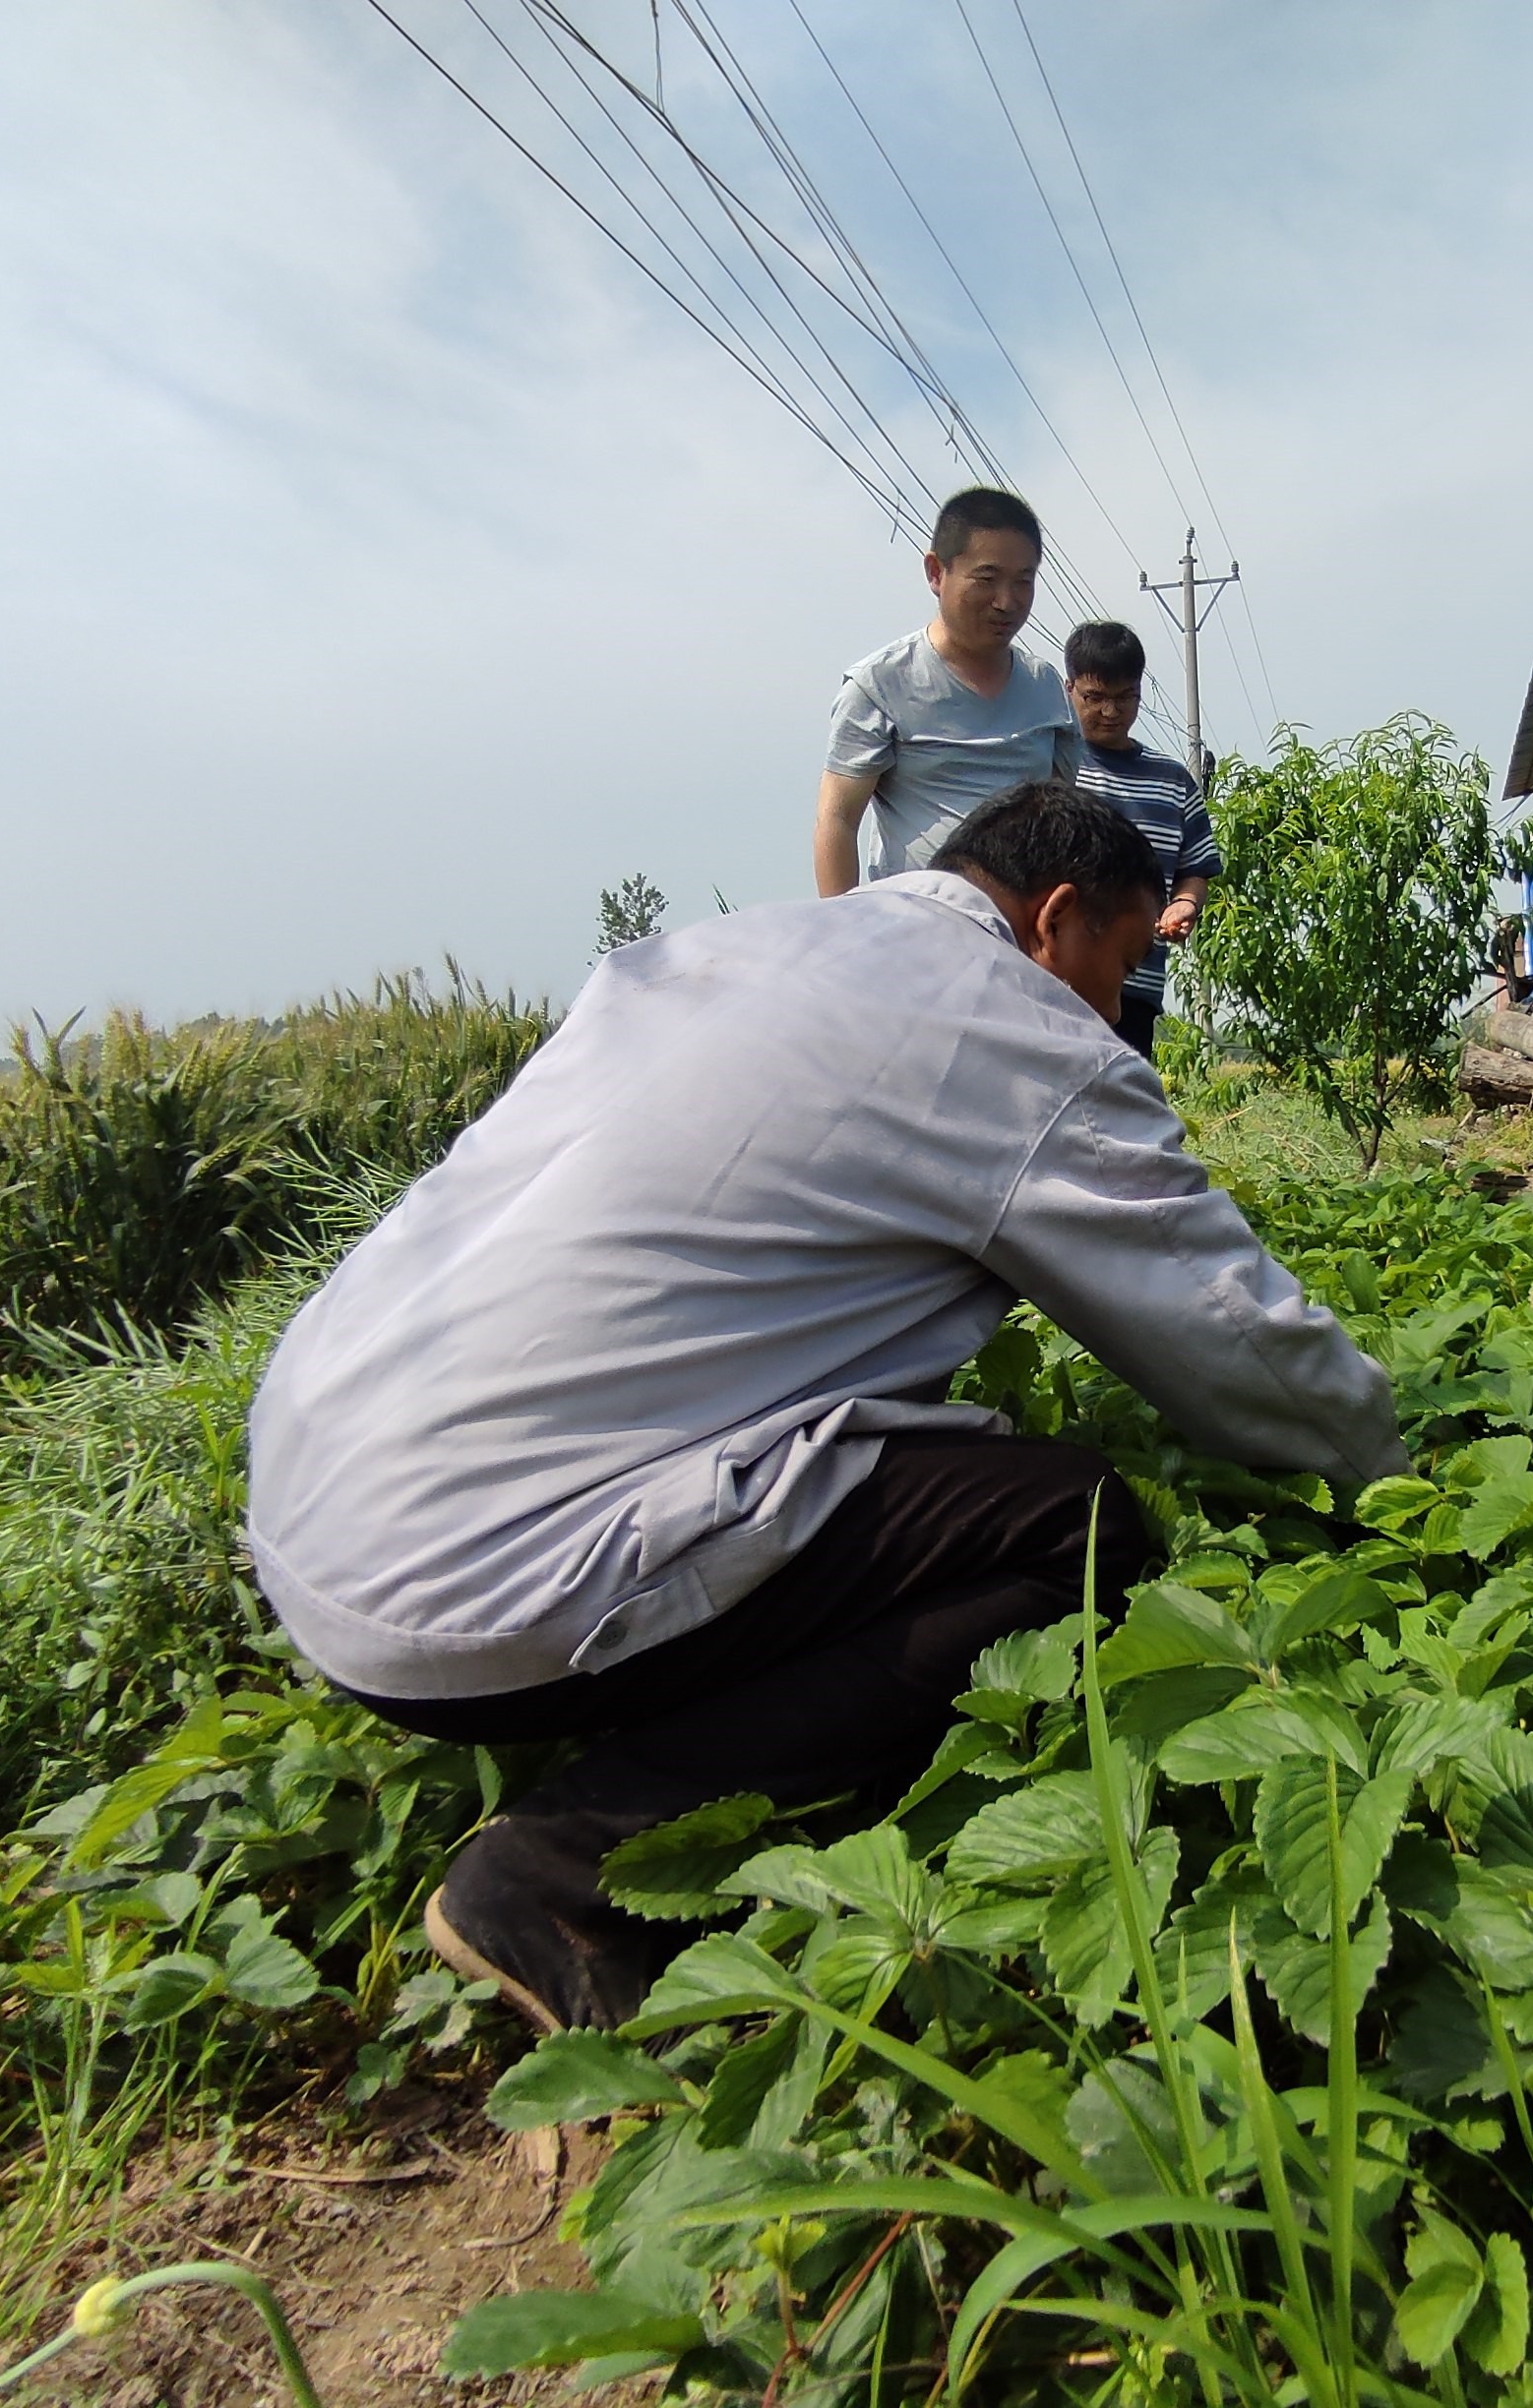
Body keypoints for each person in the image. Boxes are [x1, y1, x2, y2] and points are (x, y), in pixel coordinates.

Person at [245, 780, 1406, 2031]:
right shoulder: (1017, 1032)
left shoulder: (727, 946)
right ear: (1055, 920)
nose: (1121, 1014)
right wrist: (1398, 1485)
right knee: (1073, 1531)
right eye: (1122, 966)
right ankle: (561, 1871)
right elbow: (1241, 1344)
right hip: (462, 1596)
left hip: (313, 1506)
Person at [815, 487, 1081, 895]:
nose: (1006, 602)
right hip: (914, 929)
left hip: (1020, 936)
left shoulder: (1048, 691)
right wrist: (840, 936)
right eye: (987, 579)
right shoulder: (880, 687)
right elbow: (837, 818)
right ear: (936, 573)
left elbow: (1065, 816)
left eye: (1023, 582)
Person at [1064, 620, 1221, 1058]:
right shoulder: (1054, 767)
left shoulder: (1172, 781)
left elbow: (1195, 869)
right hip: (1056, 979)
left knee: (1119, 1113)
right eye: (1095, 698)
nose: (1110, 712)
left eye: (1124, 697)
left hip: (1136, 983)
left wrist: (1184, 905)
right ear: (1069, 688)